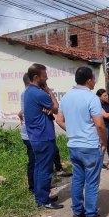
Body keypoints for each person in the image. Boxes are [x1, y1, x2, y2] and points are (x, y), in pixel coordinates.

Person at [56, 66, 109, 217]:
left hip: (74, 146)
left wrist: (73, 131)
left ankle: (77, 211)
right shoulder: (91, 98)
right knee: (92, 182)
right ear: (88, 80)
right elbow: (100, 125)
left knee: (78, 180)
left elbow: (59, 120)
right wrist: (105, 142)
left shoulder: (66, 97)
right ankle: (92, 216)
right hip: (90, 146)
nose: (94, 82)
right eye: (94, 79)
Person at [22, 63, 63, 209]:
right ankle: (44, 200)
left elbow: (46, 109)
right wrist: (49, 91)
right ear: (35, 77)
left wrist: (46, 109)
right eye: (44, 76)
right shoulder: (39, 93)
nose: (47, 79)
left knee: (39, 168)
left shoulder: (28, 92)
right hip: (43, 136)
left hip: (35, 136)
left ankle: (41, 197)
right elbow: (56, 108)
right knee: (45, 169)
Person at [18, 74, 34, 193]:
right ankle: (33, 187)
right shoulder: (29, 93)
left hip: (28, 133)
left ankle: (35, 186)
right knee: (34, 162)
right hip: (30, 135)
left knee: (35, 161)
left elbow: (20, 113)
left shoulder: (25, 94)